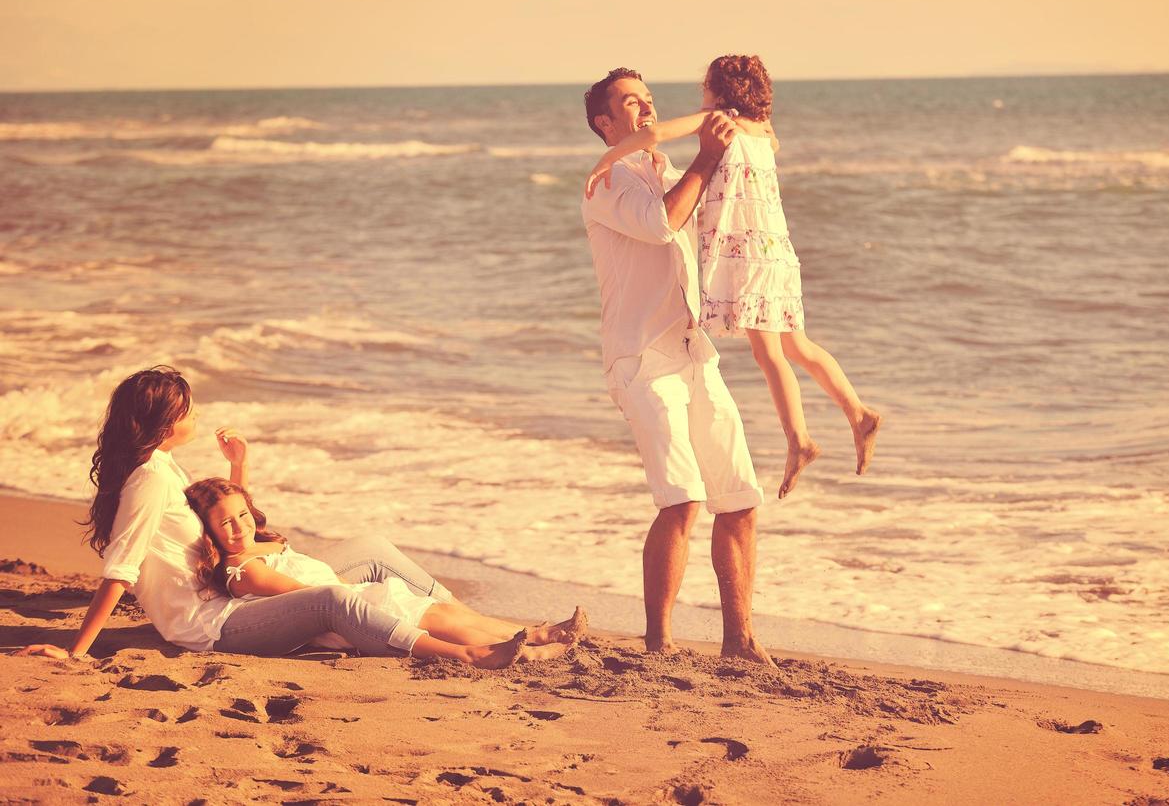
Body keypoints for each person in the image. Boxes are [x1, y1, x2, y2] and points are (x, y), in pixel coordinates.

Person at [16, 366, 565, 669]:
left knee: (372, 550)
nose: (196, 415)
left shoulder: (162, 462)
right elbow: (121, 570)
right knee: (334, 599)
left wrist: (239, 468)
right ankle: (466, 652)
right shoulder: (149, 481)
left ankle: (483, 625)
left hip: (234, 585)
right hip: (212, 624)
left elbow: (231, 526)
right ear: (163, 422)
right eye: (188, 410)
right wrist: (75, 650)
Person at [585, 55, 881, 496]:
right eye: (634, 101)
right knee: (797, 345)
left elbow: (656, 133)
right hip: (778, 249)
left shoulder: (718, 118)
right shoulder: (764, 132)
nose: (651, 106)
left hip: (749, 253)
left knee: (769, 354)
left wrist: (607, 158)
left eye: (704, 90)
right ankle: (858, 412)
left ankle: (798, 439)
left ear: (718, 93)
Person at [580, 67, 772, 664]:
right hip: (641, 358)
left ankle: (739, 640)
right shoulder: (607, 179)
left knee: (739, 495)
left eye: (649, 100)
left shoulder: (663, 167)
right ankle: (658, 640)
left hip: (692, 349)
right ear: (604, 123)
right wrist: (706, 157)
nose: (645, 110)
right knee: (682, 498)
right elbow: (662, 222)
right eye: (629, 104)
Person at [185, 478, 580, 666]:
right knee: (439, 617)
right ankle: (521, 650)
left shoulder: (250, 543)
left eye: (243, 515)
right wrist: (366, 597)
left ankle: (531, 636)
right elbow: (306, 594)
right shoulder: (246, 571)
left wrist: (237, 464)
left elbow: (241, 511)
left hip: (352, 599)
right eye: (226, 525)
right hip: (347, 609)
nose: (240, 527)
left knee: (447, 614)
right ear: (209, 534)